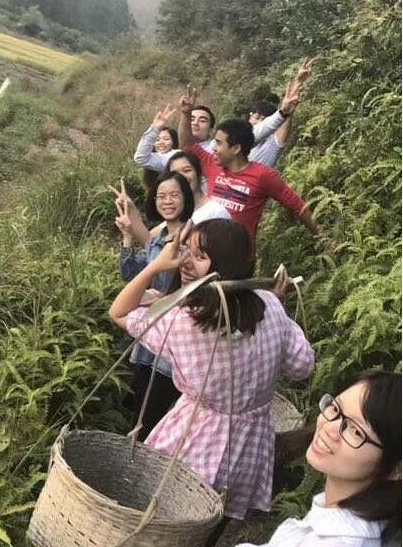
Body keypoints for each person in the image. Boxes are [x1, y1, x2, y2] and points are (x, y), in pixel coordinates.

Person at [109, 219, 315, 522]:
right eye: (185, 251)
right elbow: (302, 366)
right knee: (217, 520)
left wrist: (156, 266)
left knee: (168, 518)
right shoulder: (270, 306)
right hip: (251, 447)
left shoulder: (185, 322)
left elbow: (119, 312)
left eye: (200, 256)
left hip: (196, 441)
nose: (185, 262)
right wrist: (280, 311)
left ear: (225, 265)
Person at [210, 372, 402, 547]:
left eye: (356, 431)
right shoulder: (368, 522)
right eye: (335, 409)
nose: (330, 428)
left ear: (395, 469)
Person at [115, 171, 194, 439]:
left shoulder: (194, 238)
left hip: (174, 338)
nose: (167, 201)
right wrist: (127, 236)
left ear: (186, 198)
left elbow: (201, 285)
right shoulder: (158, 238)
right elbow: (131, 276)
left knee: (157, 415)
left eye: (174, 195)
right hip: (148, 336)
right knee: (140, 407)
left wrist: (165, 298)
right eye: (161, 196)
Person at [182, 117, 317, 252]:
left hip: (238, 256)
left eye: (219, 143)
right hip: (205, 252)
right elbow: (187, 145)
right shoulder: (212, 164)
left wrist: (322, 239)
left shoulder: (263, 175)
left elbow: (299, 208)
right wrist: (185, 113)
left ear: (236, 148)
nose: (214, 149)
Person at [248, 58, 314, 168]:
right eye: (257, 116)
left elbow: (286, 110)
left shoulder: (272, 143)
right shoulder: (237, 142)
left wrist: (298, 81)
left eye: (264, 119)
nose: (259, 121)